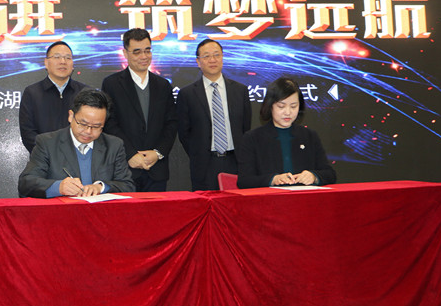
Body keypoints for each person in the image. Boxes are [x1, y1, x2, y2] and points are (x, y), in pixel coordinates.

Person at [18, 88, 135, 198]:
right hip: (62, 211)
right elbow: (26, 183)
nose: (88, 131)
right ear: (71, 116)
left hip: (101, 212)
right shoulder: (47, 143)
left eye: (96, 126)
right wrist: (58, 187)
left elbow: (128, 186)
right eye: (83, 124)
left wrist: (101, 187)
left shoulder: (114, 145)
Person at [101, 28, 178, 192]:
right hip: (124, 169)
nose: (144, 56)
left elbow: (171, 124)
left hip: (156, 169)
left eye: (147, 50)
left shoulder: (163, 85)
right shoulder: (112, 84)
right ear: (125, 53)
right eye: (137, 52)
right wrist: (130, 154)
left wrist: (157, 153)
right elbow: (110, 124)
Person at [176, 39, 252, 191]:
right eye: (206, 56)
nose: (212, 60)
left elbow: (245, 126)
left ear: (222, 57)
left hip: (235, 162)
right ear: (198, 62)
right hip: (204, 164)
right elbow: (184, 133)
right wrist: (198, 154)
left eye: (217, 55)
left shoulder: (240, 91)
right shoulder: (187, 94)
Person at [237, 77, 337, 189]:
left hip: (304, 198)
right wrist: (272, 180)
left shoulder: (309, 136)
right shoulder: (252, 138)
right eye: (281, 106)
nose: (288, 112)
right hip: (270, 198)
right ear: (270, 106)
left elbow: (330, 174)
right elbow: (244, 181)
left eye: (293, 106)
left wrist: (314, 176)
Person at [19, 41, 87, 153]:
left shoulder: (85, 92)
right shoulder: (32, 93)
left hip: (79, 158)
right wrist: (49, 155)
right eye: (57, 57)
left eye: (68, 58)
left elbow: (92, 129)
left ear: (72, 64)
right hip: (44, 160)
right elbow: (28, 133)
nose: (63, 61)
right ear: (46, 63)